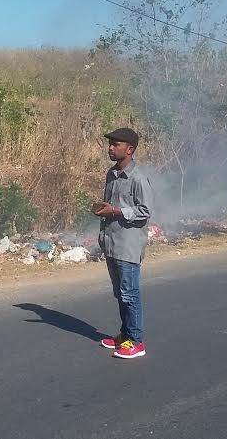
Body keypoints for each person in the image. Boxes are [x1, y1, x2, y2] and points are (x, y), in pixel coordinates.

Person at [93, 128, 153, 360]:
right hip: (111, 242)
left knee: (130, 294)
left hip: (128, 244)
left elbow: (145, 211)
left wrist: (116, 211)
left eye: (116, 144)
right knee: (120, 293)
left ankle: (137, 342)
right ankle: (125, 335)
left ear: (130, 149)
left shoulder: (138, 178)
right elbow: (110, 205)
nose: (110, 148)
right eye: (109, 144)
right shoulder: (112, 174)